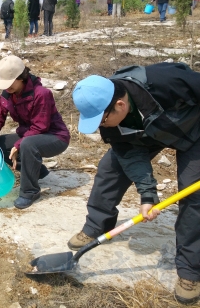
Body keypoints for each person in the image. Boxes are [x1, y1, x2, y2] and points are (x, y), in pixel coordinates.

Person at [70, 63, 200, 304]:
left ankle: (190, 270)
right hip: (148, 134)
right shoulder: (110, 118)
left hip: (194, 130)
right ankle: (97, 225)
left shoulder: (164, 81)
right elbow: (130, 156)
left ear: (120, 105)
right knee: (110, 169)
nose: (100, 126)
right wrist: (148, 195)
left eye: (102, 120)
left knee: (194, 198)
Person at [0, 55, 70, 209]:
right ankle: (38, 172)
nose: (7, 87)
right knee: (0, 145)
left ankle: (30, 191)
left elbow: (40, 126)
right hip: (30, 135)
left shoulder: (41, 94)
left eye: (10, 82)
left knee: (27, 144)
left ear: (21, 77)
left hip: (55, 137)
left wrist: (19, 144)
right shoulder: (7, 94)